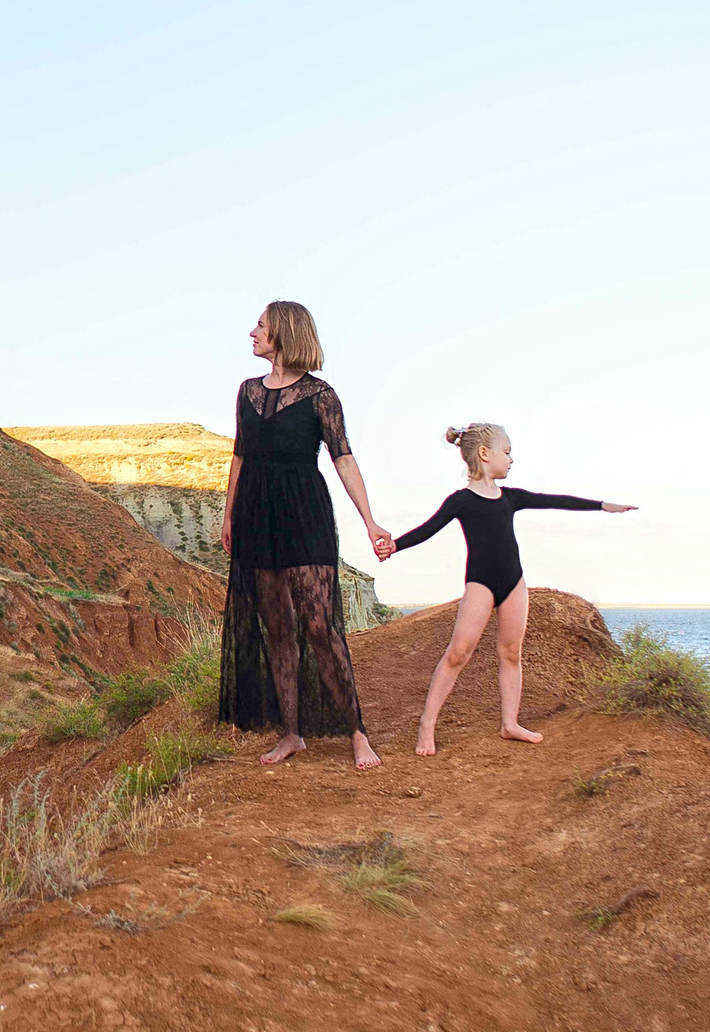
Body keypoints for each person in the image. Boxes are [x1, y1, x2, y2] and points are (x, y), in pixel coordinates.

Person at [386, 423, 634, 757]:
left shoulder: (511, 497)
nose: (512, 459)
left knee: (511, 652)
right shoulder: (461, 501)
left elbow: (554, 501)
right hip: (480, 582)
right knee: (459, 652)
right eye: (507, 452)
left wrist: (602, 505)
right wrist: (394, 546)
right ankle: (427, 724)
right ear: (484, 454)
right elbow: (427, 529)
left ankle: (510, 723)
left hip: (513, 582)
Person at [218, 300, 392, 768]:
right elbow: (239, 456)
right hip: (256, 514)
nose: (252, 332)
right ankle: (291, 734)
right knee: (277, 628)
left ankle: (356, 733)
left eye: (260, 325)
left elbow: (343, 458)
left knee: (318, 625)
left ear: (284, 333)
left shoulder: (321, 396)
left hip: (304, 513)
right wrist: (229, 515)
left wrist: (370, 521)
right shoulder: (247, 391)